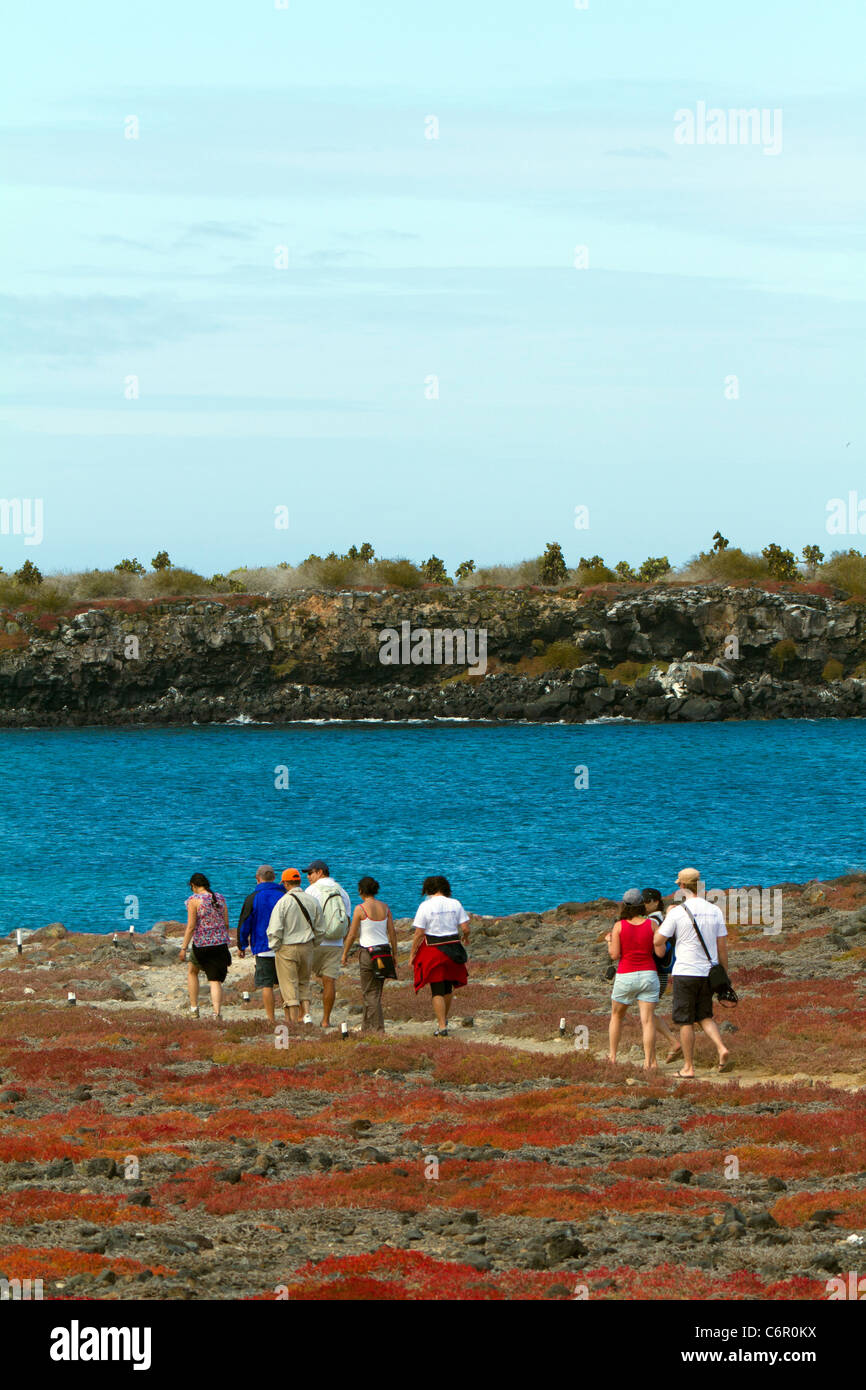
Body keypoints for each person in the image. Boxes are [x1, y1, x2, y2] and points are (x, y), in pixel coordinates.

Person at [654, 867, 733, 1078]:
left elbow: (658, 940)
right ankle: (720, 1047)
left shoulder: (678, 912)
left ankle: (688, 1067)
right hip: (708, 972)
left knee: (685, 1021)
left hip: (685, 972)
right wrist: (724, 975)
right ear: (700, 884)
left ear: (681, 886)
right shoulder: (714, 910)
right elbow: (722, 947)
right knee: (705, 1015)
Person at [605, 889, 666, 1069]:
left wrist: (609, 941)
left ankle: (613, 1056)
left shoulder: (619, 926)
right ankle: (649, 1063)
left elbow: (615, 955)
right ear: (642, 904)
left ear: (625, 905)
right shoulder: (652, 925)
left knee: (616, 1016)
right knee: (647, 1021)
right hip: (649, 974)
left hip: (626, 974)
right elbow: (660, 953)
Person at [409, 875, 470, 1037]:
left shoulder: (425, 906)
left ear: (428, 889)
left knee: (436, 989)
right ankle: (444, 1020)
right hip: (453, 949)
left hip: (433, 950)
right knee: (448, 987)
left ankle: (442, 1026)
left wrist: (412, 953)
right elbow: (465, 927)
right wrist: (466, 938)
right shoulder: (455, 903)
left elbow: (419, 933)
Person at [341, 876, 398, 1032]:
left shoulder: (360, 908)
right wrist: (395, 954)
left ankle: (378, 1029)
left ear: (361, 891)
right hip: (384, 952)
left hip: (368, 953)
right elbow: (392, 933)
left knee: (369, 992)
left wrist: (345, 953)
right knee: (376, 991)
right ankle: (367, 1027)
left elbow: (352, 934)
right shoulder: (385, 908)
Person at [267, 868, 322, 1025]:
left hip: (287, 947)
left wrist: (275, 946)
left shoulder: (283, 902)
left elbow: (275, 929)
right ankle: (307, 1015)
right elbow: (320, 928)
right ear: (299, 881)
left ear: (285, 883)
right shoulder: (312, 900)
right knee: (304, 981)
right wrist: (313, 943)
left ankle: (293, 1020)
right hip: (307, 946)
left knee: (289, 984)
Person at [302, 860, 351, 1029]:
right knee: (329, 981)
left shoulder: (311, 891)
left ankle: (305, 1016)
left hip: (315, 941)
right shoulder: (342, 891)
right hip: (335, 942)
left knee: (303, 979)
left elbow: (305, 917)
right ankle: (325, 1020)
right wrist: (342, 942)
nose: (307, 877)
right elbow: (347, 920)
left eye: (310, 873)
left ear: (320, 872)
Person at [237, 865, 285, 1026]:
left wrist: (241, 945)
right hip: (284, 946)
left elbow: (245, 923)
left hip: (264, 946)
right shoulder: (284, 894)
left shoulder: (253, 897)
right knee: (286, 983)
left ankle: (271, 1019)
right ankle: (290, 1017)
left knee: (267, 984)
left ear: (258, 878)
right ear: (274, 877)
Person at [180, 872, 231, 1021]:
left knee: (192, 971)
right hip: (220, 943)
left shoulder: (194, 900)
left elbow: (191, 926)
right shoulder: (220, 898)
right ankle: (216, 1013)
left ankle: (194, 1008)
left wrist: (184, 947)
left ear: (193, 886)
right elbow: (226, 923)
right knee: (214, 980)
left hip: (201, 944)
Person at [642, 885, 682, 1064]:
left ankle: (655, 1058)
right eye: (642, 901)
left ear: (656, 902)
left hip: (655, 971)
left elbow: (656, 947)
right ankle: (667, 1047)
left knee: (647, 1016)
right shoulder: (663, 918)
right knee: (648, 1014)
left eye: (647, 901)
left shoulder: (654, 921)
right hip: (661, 972)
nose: (644, 904)